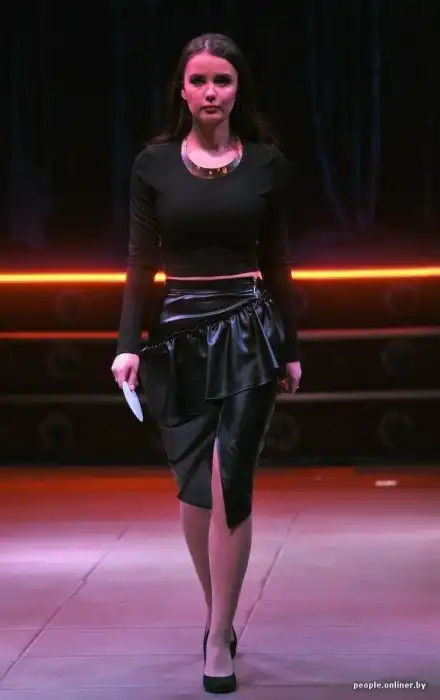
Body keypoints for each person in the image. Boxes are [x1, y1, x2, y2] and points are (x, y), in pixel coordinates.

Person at [111, 32, 302, 694]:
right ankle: (216, 612)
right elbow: (140, 262)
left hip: (248, 332)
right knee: (196, 490)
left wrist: (291, 347)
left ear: (238, 88)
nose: (211, 91)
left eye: (223, 79)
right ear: (183, 90)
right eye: (199, 80)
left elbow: (277, 259)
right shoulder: (153, 165)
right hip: (178, 338)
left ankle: (219, 636)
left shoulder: (267, 163)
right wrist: (127, 344)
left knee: (231, 479)